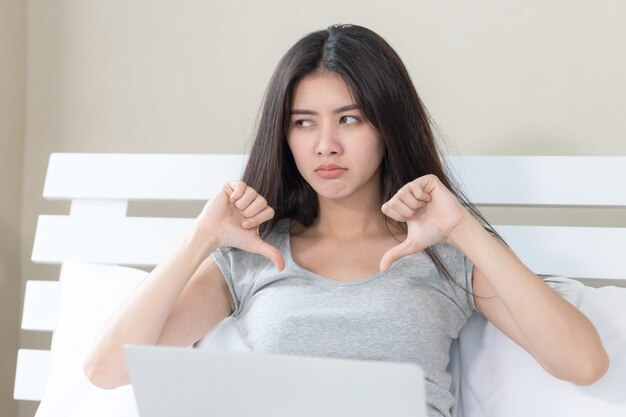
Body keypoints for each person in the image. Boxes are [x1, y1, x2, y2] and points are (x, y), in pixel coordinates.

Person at [84, 24, 609, 417]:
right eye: (303, 122)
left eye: (350, 119)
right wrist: (200, 237)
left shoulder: (445, 255)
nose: (325, 144)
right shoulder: (253, 255)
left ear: (388, 125)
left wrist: (463, 229)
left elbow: (584, 364)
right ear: (284, 137)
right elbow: (106, 371)